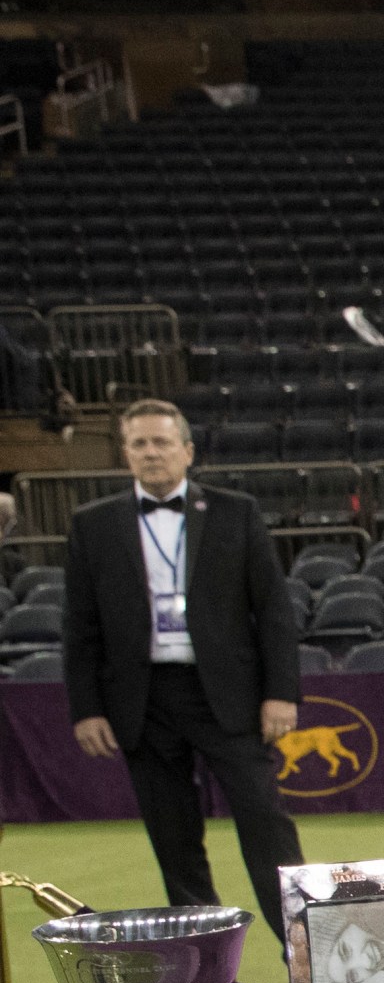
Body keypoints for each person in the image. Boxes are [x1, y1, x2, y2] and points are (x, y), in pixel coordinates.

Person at [60, 399, 306, 940]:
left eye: (162, 442)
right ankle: (204, 959)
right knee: (173, 839)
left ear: (187, 451)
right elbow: (80, 626)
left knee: (266, 824)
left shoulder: (235, 511)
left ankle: (304, 948)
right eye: (140, 444)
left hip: (229, 695)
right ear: (125, 455)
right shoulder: (92, 525)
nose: (151, 453)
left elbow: (272, 609)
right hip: (141, 700)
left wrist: (281, 692)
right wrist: (87, 708)